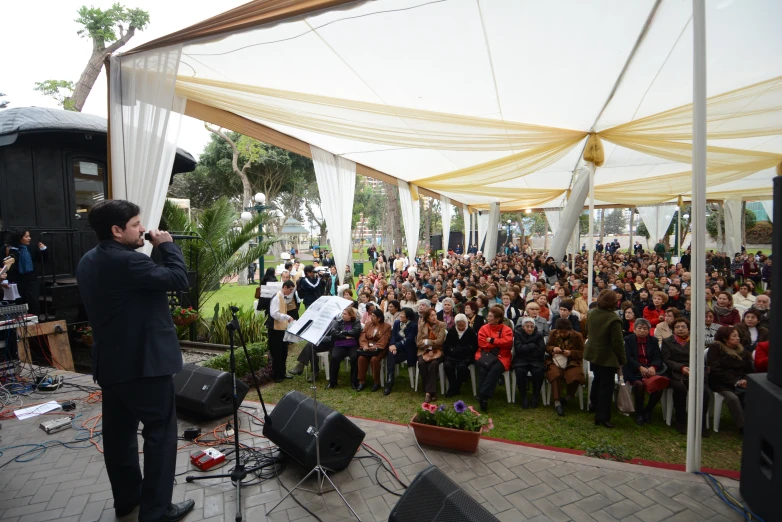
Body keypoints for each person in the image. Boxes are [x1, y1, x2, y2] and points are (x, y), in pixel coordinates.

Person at [76, 200, 194, 522]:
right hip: (145, 368)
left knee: (119, 438)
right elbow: (178, 280)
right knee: (160, 435)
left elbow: (141, 286)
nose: (143, 228)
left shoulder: (89, 261)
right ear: (116, 230)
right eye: (136, 224)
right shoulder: (128, 262)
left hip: (111, 367)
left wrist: (152, 251)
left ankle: (127, 500)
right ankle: (157, 511)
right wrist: (167, 247)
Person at [661, 318, 710, 436]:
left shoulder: (695, 341)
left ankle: (701, 424)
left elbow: (700, 359)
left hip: (694, 371)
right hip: (676, 372)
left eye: (683, 327)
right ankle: (680, 421)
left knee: (704, 392)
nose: (680, 329)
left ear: (688, 329)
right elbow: (667, 360)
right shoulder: (668, 341)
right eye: (677, 327)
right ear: (673, 330)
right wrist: (682, 368)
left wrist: (694, 369)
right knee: (680, 389)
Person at [584, 290, 625, 427]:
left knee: (597, 380)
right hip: (607, 357)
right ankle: (602, 417)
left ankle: (593, 404)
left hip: (593, 353)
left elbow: (587, 329)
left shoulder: (591, 313)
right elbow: (618, 343)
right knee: (606, 387)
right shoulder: (614, 319)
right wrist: (622, 360)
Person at [708, 326, 754, 434]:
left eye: (738, 336)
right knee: (732, 398)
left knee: (754, 395)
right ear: (725, 338)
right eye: (734, 336)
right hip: (721, 382)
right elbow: (715, 370)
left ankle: (754, 423)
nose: (737, 338)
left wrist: (745, 379)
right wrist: (736, 382)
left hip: (742, 381)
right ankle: (743, 427)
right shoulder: (716, 348)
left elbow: (750, 369)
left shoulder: (742, 350)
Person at [622, 319, 664, 425]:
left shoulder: (653, 341)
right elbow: (628, 357)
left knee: (659, 386)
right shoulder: (628, 339)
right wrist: (640, 367)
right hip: (633, 370)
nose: (642, 330)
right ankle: (639, 413)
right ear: (634, 329)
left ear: (649, 330)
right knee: (639, 385)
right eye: (639, 328)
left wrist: (653, 367)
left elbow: (658, 357)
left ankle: (648, 410)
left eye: (645, 328)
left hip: (650, 370)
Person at [475, 306, 513, 411]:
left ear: (497, 319)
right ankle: (484, 398)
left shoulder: (506, 329)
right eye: (488, 316)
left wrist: (492, 340)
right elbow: (482, 343)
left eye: (491, 316)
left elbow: (508, 343)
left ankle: (482, 395)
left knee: (494, 370)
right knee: (483, 370)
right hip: (485, 355)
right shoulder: (484, 328)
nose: (488, 318)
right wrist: (498, 343)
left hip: (502, 356)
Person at [546, 318, 586, 418]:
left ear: (569, 330)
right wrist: (553, 349)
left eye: (564, 332)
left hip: (572, 361)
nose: (562, 334)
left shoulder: (577, 336)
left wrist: (571, 353)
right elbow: (547, 347)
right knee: (555, 374)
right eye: (560, 332)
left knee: (575, 375)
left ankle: (568, 397)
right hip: (555, 360)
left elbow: (583, 352)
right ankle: (557, 401)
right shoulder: (553, 333)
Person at [5, 228, 47, 316]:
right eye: (26, 236)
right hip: (17, 281)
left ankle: (35, 323)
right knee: (19, 303)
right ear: (19, 238)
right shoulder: (9, 249)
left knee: (34, 303)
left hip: (32, 280)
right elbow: (5, 265)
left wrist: (44, 250)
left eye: (29, 236)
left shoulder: (32, 248)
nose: (29, 238)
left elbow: (43, 260)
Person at [268, 280, 299, 382]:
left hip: (282, 329)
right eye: (290, 289)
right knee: (277, 354)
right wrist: (286, 317)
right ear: (285, 287)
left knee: (283, 352)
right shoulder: (277, 298)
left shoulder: (283, 298)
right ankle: (276, 376)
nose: (291, 292)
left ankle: (282, 373)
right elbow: (274, 313)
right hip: (275, 330)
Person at [512, 317, 546, 409]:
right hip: (521, 360)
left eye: (532, 326)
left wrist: (526, 348)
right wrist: (532, 345)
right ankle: (524, 397)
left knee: (538, 372)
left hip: (536, 360)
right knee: (520, 372)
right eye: (527, 326)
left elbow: (541, 349)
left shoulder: (539, 335)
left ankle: (535, 396)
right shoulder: (518, 334)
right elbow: (519, 349)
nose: (530, 329)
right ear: (523, 327)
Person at [384, 307, 418, 395]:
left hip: (407, 350)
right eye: (401, 313)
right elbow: (393, 336)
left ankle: (389, 380)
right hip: (396, 348)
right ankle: (390, 380)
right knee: (391, 353)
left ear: (408, 317)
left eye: (402, 314)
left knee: (391, 356)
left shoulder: (413, 326)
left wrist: (396, 346)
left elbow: (409, 340)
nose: (400, 315)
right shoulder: (397, 323)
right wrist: (392, 345)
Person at [443, 314, 478, 397]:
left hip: (466, 357)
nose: (461, 327)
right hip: (453, 356)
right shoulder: (452, 331)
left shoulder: (470, 332)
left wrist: (462, 349)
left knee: (461, 367)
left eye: (463, 325)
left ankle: (456, 387)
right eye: (459, 326)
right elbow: (447, 345)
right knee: (447, 365)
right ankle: (453, 386)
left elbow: (474, 347)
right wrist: (452, 350)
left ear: (466, 323)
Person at [327, 307, 363, 389]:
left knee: (354, 358)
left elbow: (356, 331)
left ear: (350, 315)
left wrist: (342, 332)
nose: (342, 315)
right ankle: (332, 382)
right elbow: (333, 332)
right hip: (339, 345)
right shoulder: (338, 321)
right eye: (342, 313)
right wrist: (345, 337)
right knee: (334, 357)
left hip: (352, 345)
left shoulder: (356, 322)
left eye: (345, 314)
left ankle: (354, 382)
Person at [357, 309, 392, 391]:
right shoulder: (368, 324)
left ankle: (376, 382)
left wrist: (376, 347)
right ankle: (361, 381)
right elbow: (363, 335)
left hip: (379, 349)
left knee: (374, 359)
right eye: (371, 315)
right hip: (367, 348)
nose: (371, 317)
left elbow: (385, 339)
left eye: (373, 316)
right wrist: (364, 345)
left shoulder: (387, 326)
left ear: (379, 318)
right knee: (361, 358)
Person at [416, 308, 446, 403]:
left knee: (433, 364)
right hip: (423, 351)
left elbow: (440, 341)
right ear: (427, 318)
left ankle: (428, 392)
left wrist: (427, 341)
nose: (434, 317)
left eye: (435, 315)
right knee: (421, 363)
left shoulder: (441, 325)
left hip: (437, 351)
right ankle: (432, 391)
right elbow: (419, 343)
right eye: (432, 316)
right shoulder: (422, 325)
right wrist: (429, 346)